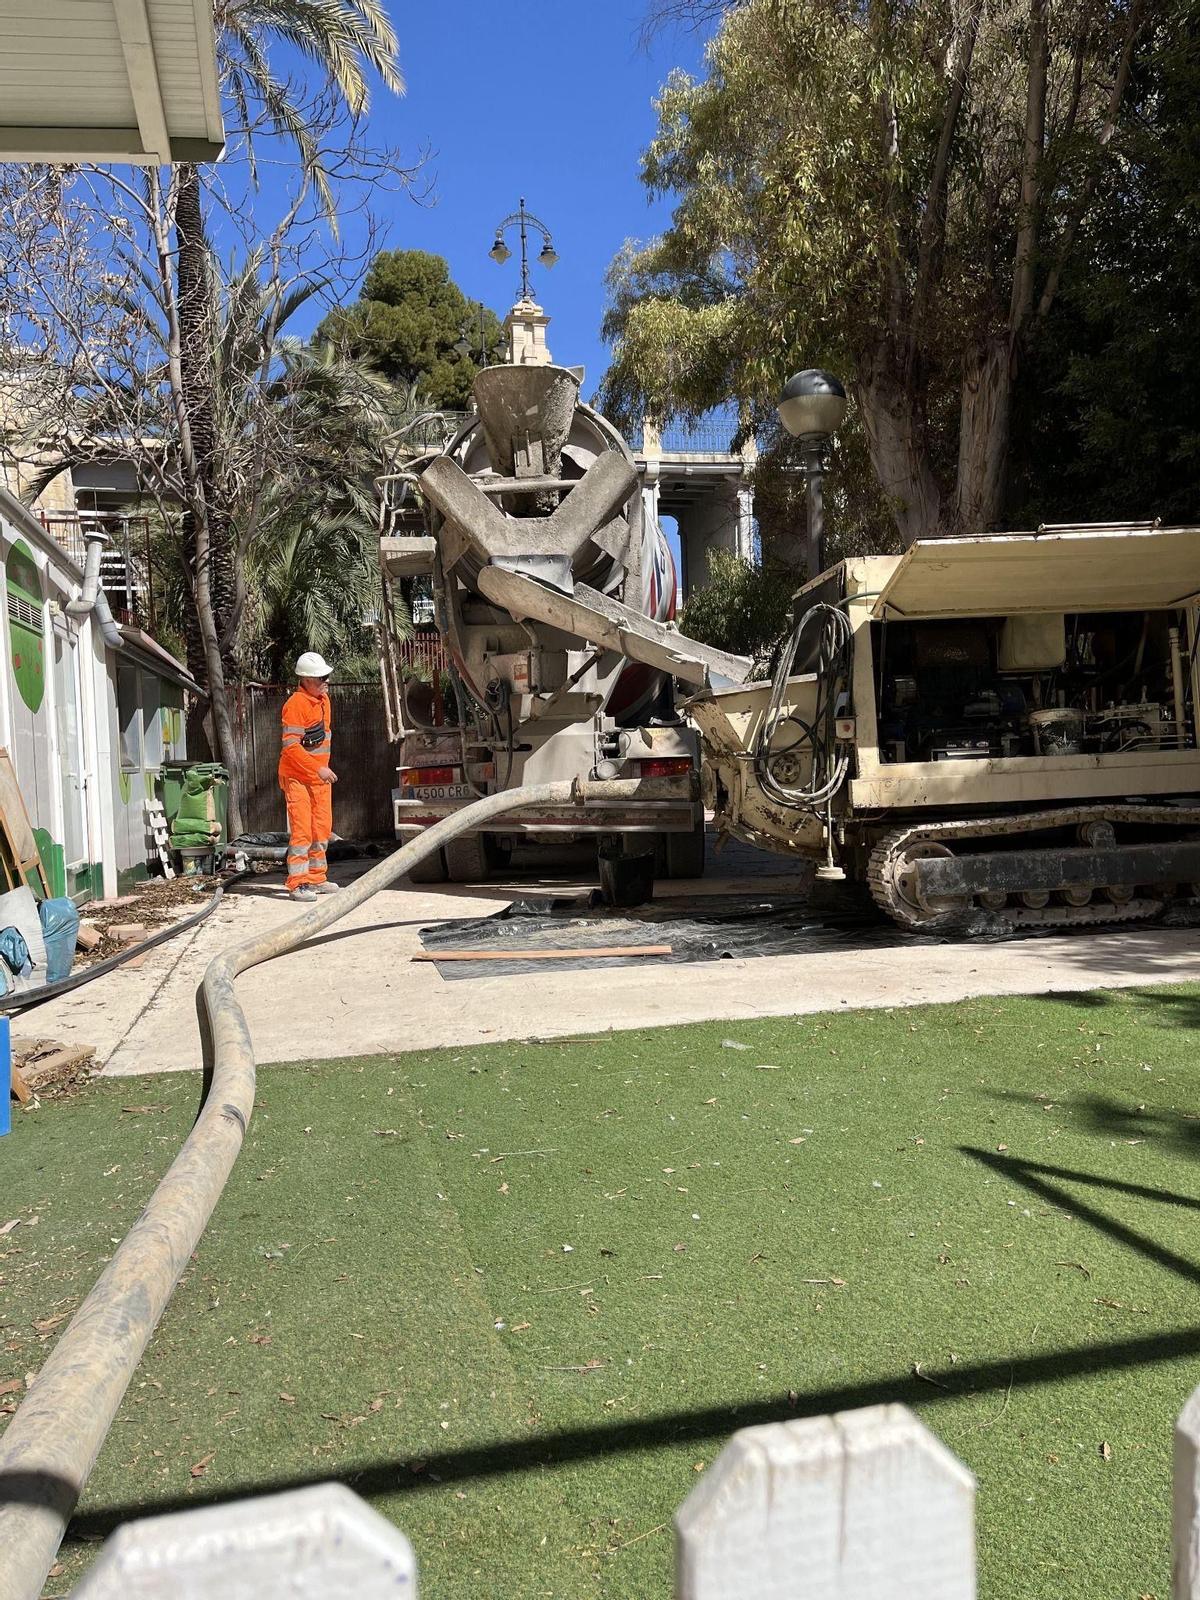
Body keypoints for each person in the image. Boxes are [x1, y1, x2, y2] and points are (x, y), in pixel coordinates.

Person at [279, 651, 339, 902]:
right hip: (297, 778)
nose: (325, 681)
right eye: (319, 678)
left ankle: (316, 877)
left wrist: (320, 771)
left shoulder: (324, 700)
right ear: (304, 679)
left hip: (318, 779)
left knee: (321, 829)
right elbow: (291, 747)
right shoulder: (295, 705)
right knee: (302, 831)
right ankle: (298, 883)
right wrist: (318, 768)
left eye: (326, 676)